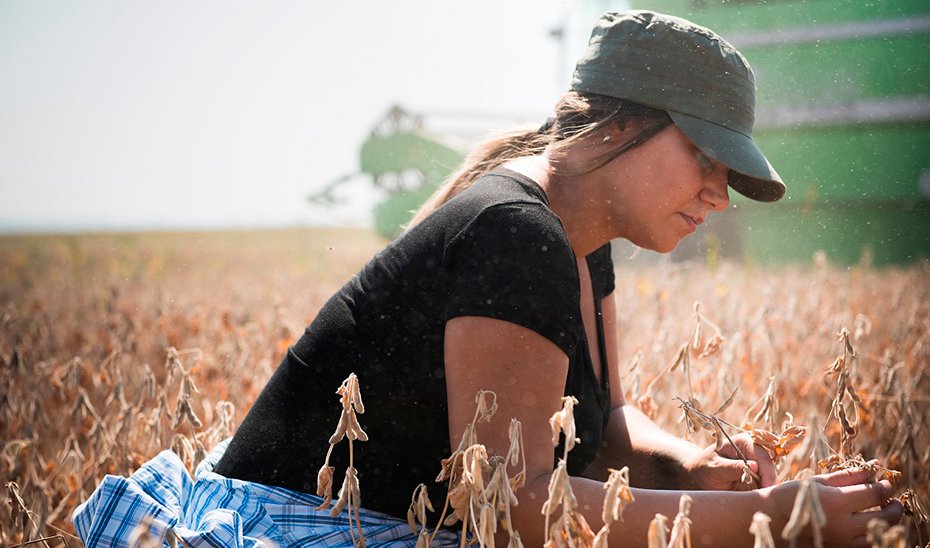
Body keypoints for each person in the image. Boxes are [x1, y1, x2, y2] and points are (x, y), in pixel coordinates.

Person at [74, 10, 903, 547]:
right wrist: (773, 519)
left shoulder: (578, 239)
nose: (720, 194)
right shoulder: (516, 234)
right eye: (705, 156)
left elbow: (608, 421)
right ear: (621, 123)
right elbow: (513, 506)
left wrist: (692, 469)